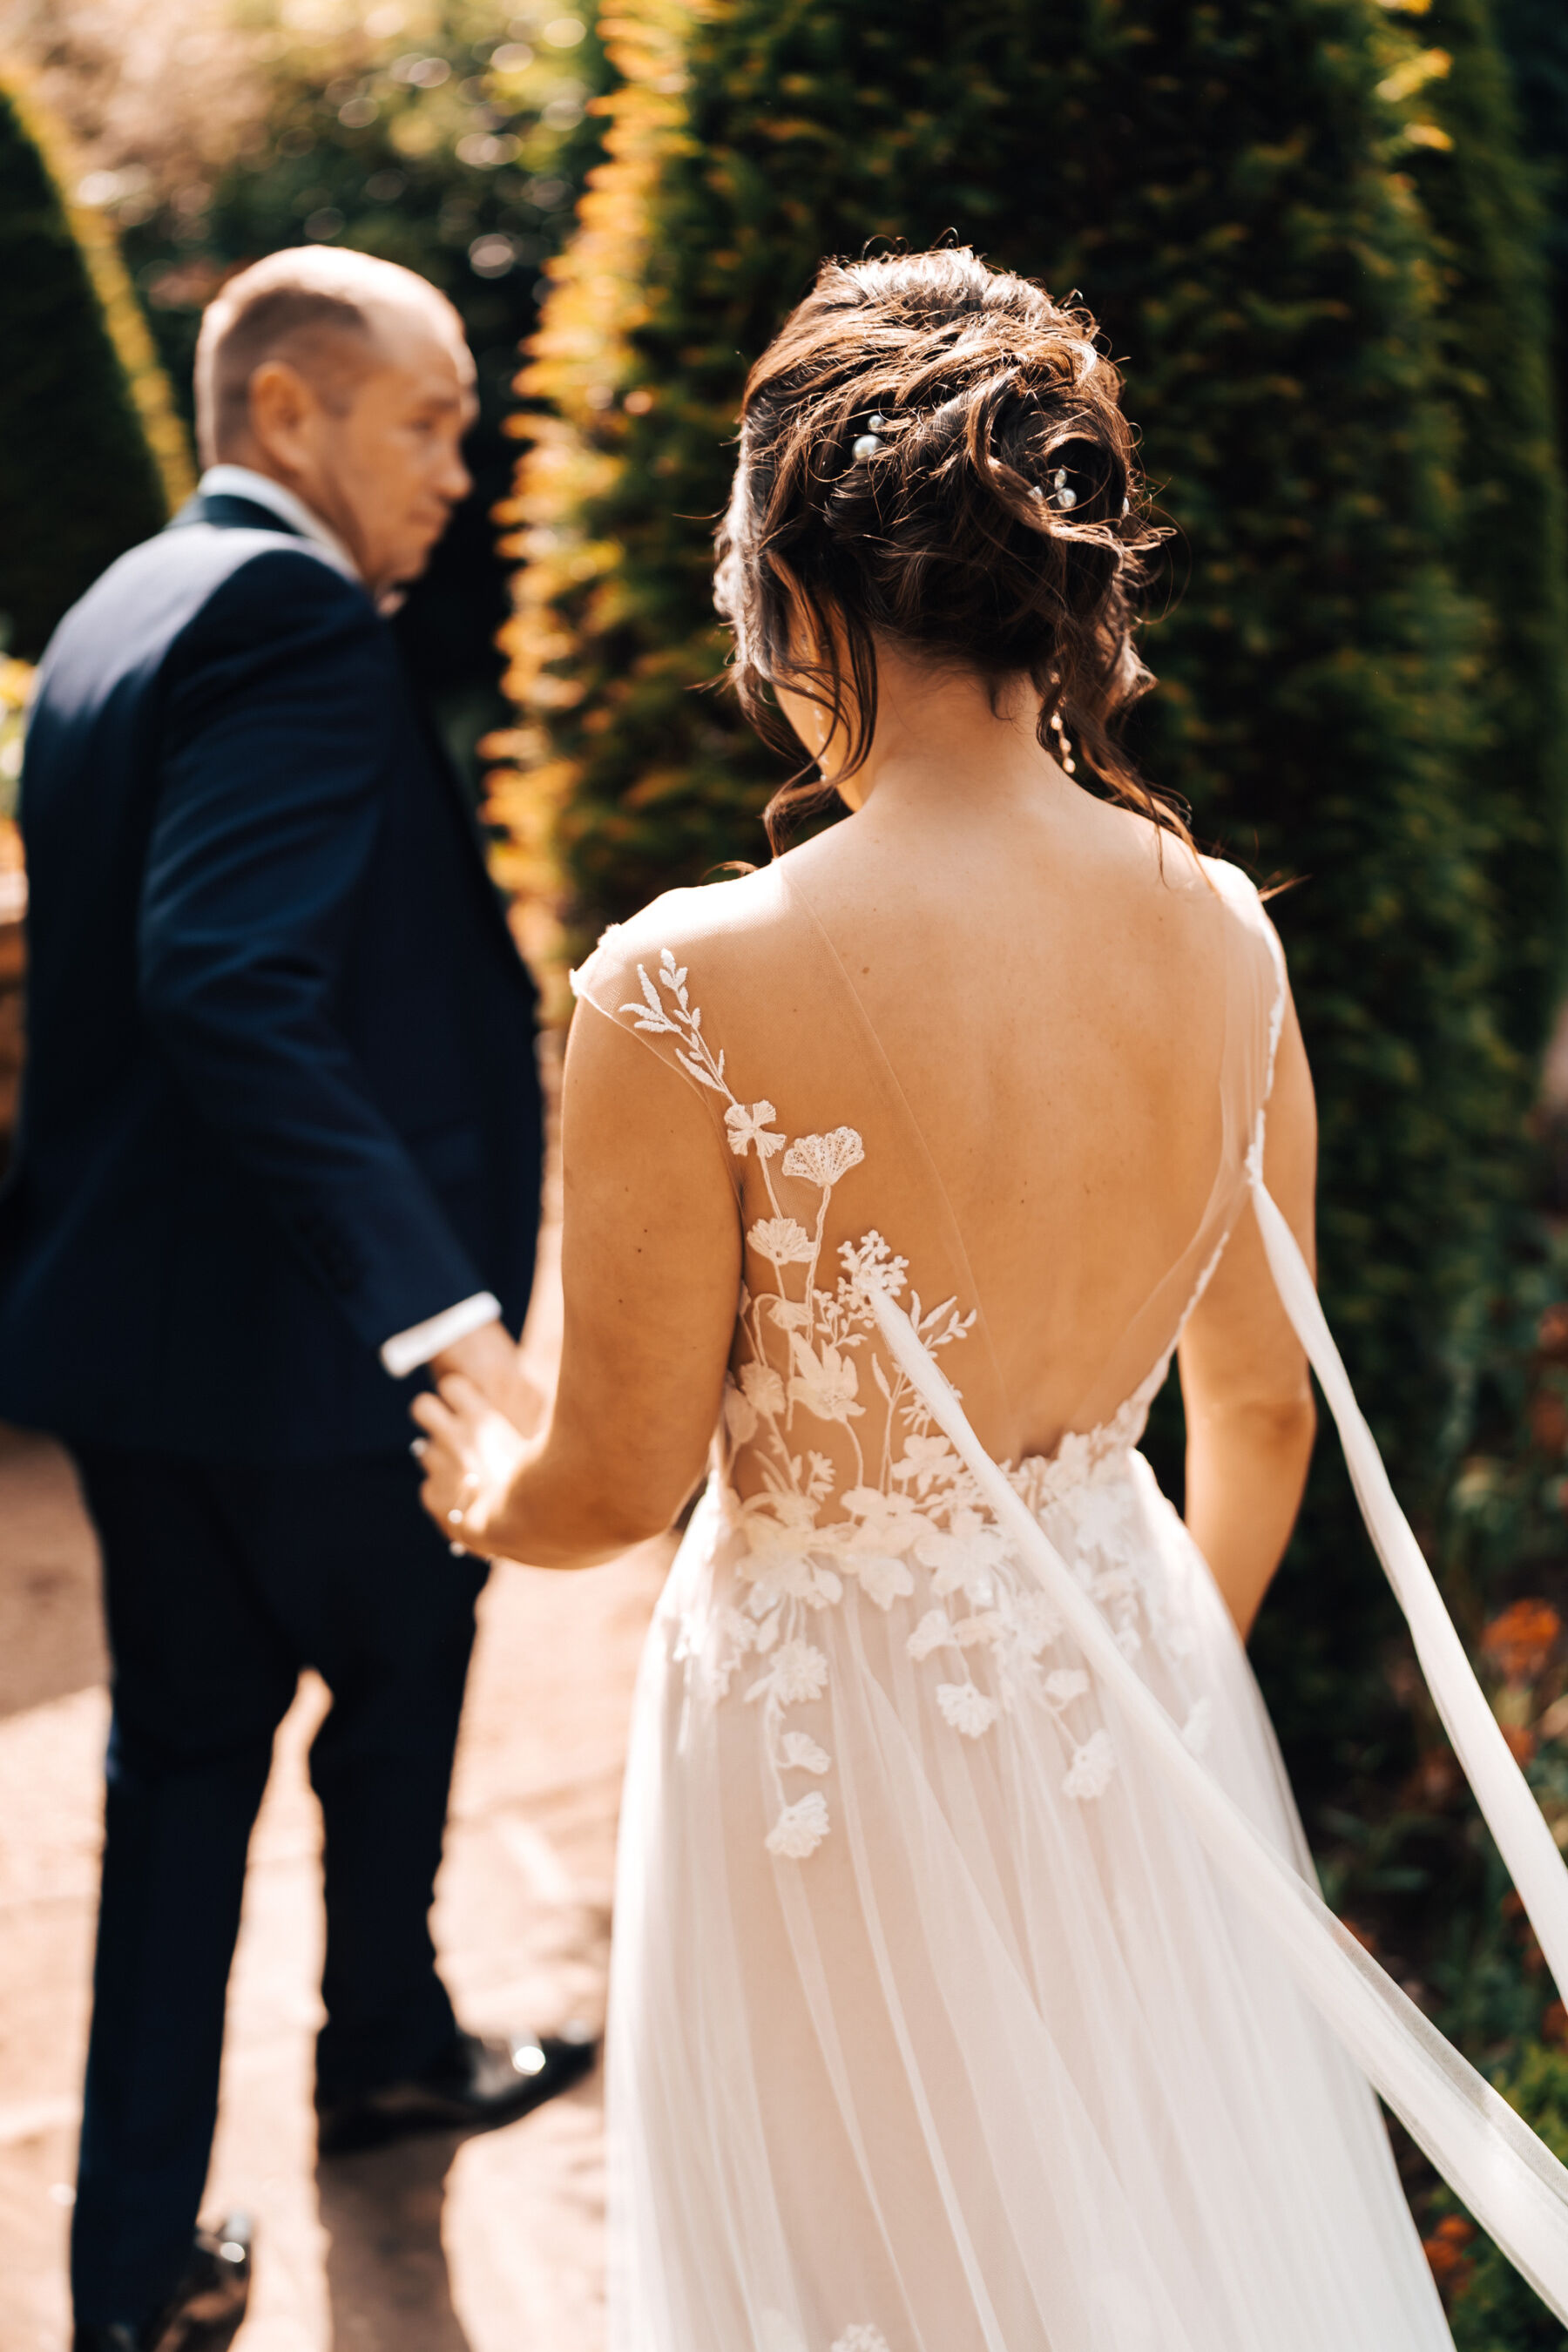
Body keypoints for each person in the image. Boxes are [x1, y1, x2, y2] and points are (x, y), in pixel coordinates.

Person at [417, 247, 1568, 2348]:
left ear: (784, 585)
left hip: (817, 1755)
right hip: (1128, 1680)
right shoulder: (1226, 938)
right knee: (1131, 2256)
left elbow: (617, 1479)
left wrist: (484, 1474)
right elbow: (1270, 1411)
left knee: (880, 2276)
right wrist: (1111, 1688)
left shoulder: (685, 984)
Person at [0, 247, 592, 2352]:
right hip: (312, 1365)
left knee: (180, 1773)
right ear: (288, 416)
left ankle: (136, 2263)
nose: (463, 467)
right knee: (405, 1684)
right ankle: (384, 2054)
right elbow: (223, 980)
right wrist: (440, 1318)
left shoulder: (112, 610)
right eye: (431, 420)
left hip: (139, 1351)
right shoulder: (285, 616)